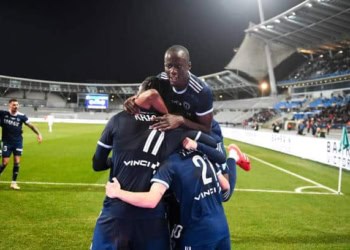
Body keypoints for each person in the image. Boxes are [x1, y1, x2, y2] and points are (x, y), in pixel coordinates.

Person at [91, 89, 224, 250]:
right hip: (153, 219)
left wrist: (119, 161)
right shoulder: (175, 127)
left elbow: (97, 164)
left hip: (116, 213)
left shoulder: (118, 120)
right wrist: (188, 133)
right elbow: (215, 147)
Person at [106, 147, 233, 249]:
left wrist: (118, 192)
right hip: (221, 228)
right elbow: (226, 185)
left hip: (197, 234)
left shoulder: (170, 164)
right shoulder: (202, 153)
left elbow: (151, 200)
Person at [124, 45, 214, 133]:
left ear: (189, 66)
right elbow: (148, 82)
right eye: (169, 66)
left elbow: (206, 128)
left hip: (194, 131)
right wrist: (137, 97)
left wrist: (181, 120)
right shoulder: (162, 79)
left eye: (178, 66)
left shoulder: (201, 91)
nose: (172, 71)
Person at [0, 98, 43, 190]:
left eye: (17, 105)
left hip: (17, 142)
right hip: (6, 142)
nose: (15, 106)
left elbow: (31, 126)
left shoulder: (22, 116)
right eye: (13, 105)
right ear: (9, 105)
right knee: (4, 163)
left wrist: (38, 134)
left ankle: (13, 183)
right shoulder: (3, 114)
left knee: (17, 162)